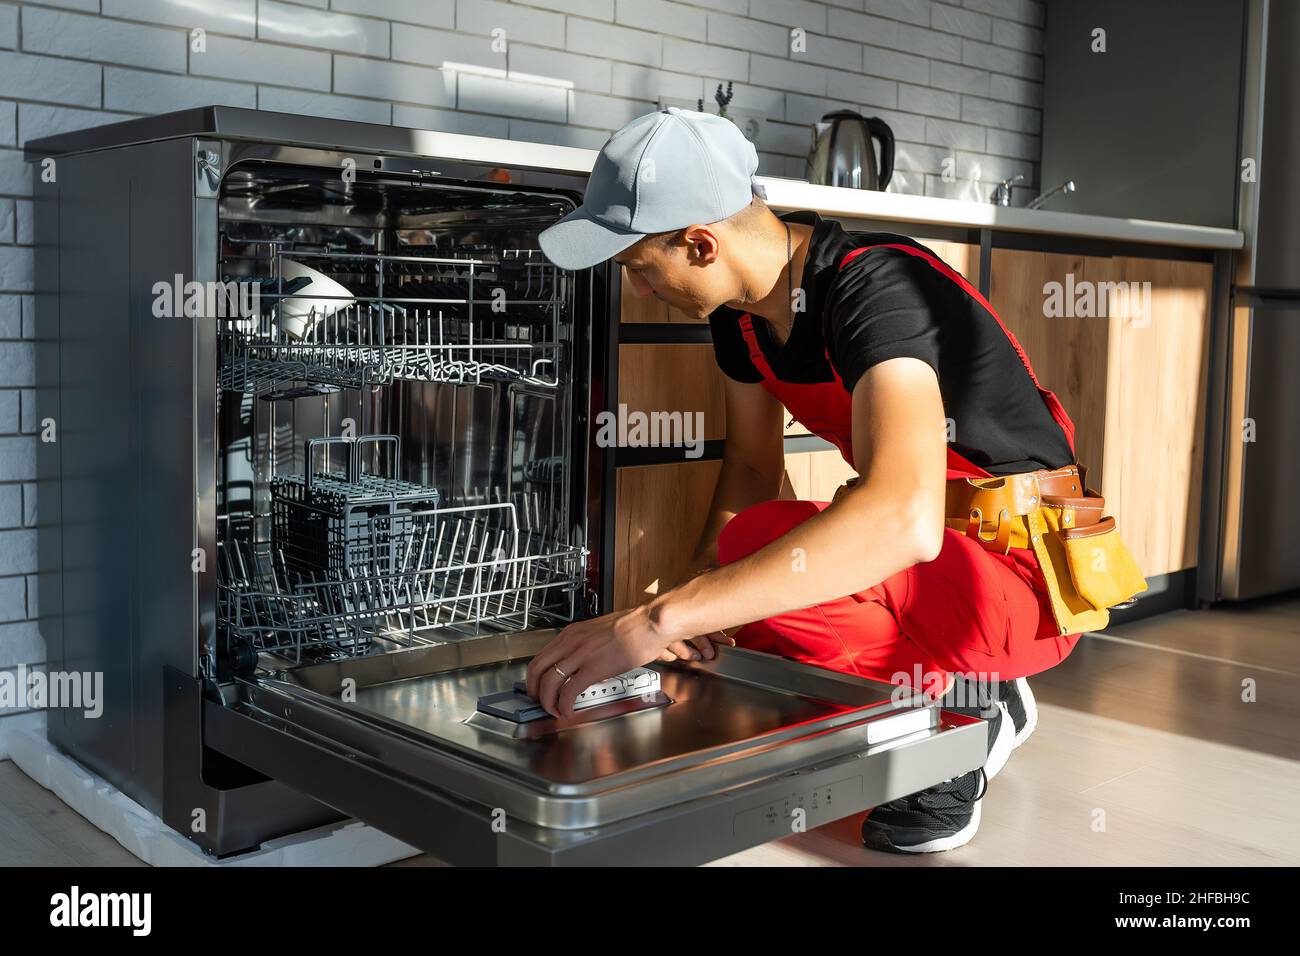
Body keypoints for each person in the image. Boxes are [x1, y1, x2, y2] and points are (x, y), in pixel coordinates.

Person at [529, 107, 1086, 853]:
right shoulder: (746, 318)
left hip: (1024, 574)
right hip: (936, 563)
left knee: (761, 554)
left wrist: (662, 622)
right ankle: (950, 688)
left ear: (700, 244)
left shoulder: (876, 287)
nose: (637, 292)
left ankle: (962, 720)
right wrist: (689, 601)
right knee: (742, 561)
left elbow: (903, 519)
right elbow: (755, 468)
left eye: (638, 268)